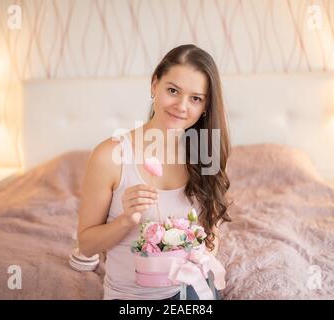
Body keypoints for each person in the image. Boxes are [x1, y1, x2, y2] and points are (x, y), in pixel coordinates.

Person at [77, 44, 231, 300]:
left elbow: (212, 232)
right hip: (132, 298)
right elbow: (87, 244)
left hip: (193, 289)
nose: (181, 106)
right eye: (173, 91)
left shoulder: (207, 152)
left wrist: (197, 259)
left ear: (206, 105)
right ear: (154, 85)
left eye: (195, 98)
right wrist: (126, 220)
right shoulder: (110, 156)